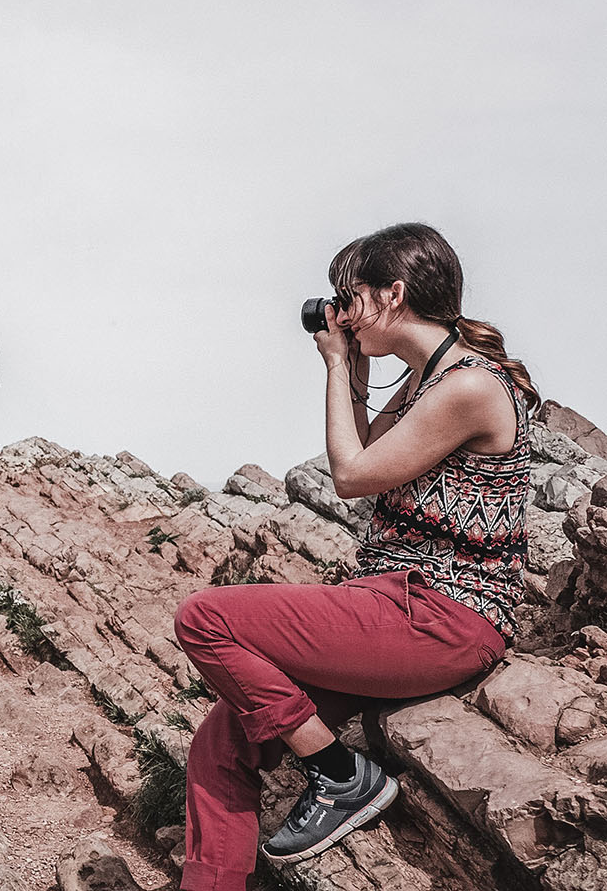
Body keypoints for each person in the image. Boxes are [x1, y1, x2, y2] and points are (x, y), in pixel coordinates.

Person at [172, 222, 538, 889]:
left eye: (351, 296)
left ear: (393, 295)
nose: (340, 311)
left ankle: (341, 776)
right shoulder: (425, 380)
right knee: (220, 741)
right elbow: (372, 451)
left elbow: (351, 473)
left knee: (204, 618)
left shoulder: (469, 385)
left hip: (442, 618)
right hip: (389, 604)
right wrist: (358, 368)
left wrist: (341, 364)